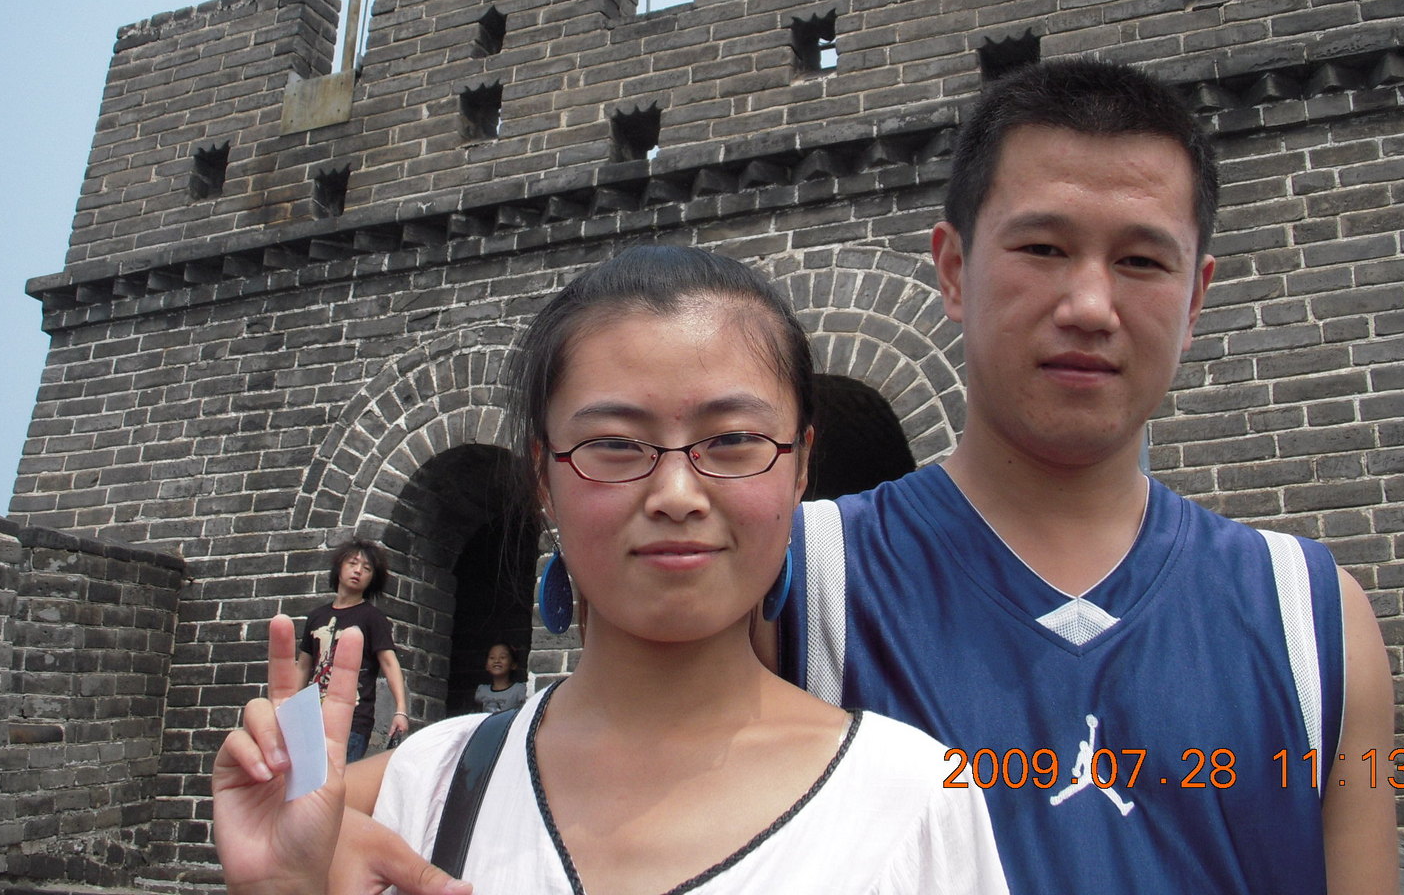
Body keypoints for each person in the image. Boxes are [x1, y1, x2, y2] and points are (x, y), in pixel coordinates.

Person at [772, 59, 1398, 895]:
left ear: (1195, 298)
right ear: (953, 270)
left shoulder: (1315, 622)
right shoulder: (800, 588)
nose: (1091, 307)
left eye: (1141, 261)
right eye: (1043, 248)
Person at [214, 246, 1008, 895]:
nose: (676, 493)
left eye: (733, 440)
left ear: (800, 465)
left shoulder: (919, 800)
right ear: (543, 476)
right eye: (615, 445)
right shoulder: (427, 790)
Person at [297, 538, 410, 763]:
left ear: (372, 579)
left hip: (352, 721)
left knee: (337, 779)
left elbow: (389, 663)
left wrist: (401, 710)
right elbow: (303, 667)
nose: (358, 571)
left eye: (367, 568)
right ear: (339, 567)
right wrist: (288, 708)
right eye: (352, 563)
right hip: (312, 717)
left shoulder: (372, 618)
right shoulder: (316, 617)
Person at [473, 643, 528, 714]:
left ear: (513, 665)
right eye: (492, 658)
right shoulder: (482, 691)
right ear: (486, 666)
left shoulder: (518, 690)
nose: (497, 661)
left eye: (502, 657)